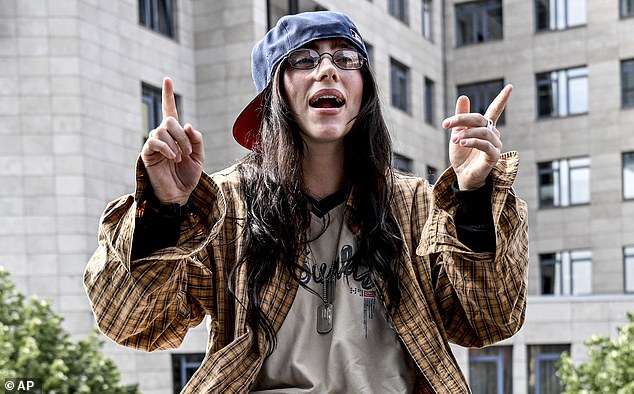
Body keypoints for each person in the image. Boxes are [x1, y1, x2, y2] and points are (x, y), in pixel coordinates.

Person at [83, 10, 528, 394]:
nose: (328, 70)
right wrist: (164, 208)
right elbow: (130, 321)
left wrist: (471, 197)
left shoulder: (413, 205)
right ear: (273, 94)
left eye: (346, 58)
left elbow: (488, 321)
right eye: (305, 59)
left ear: (364, 90)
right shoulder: (227, 207)